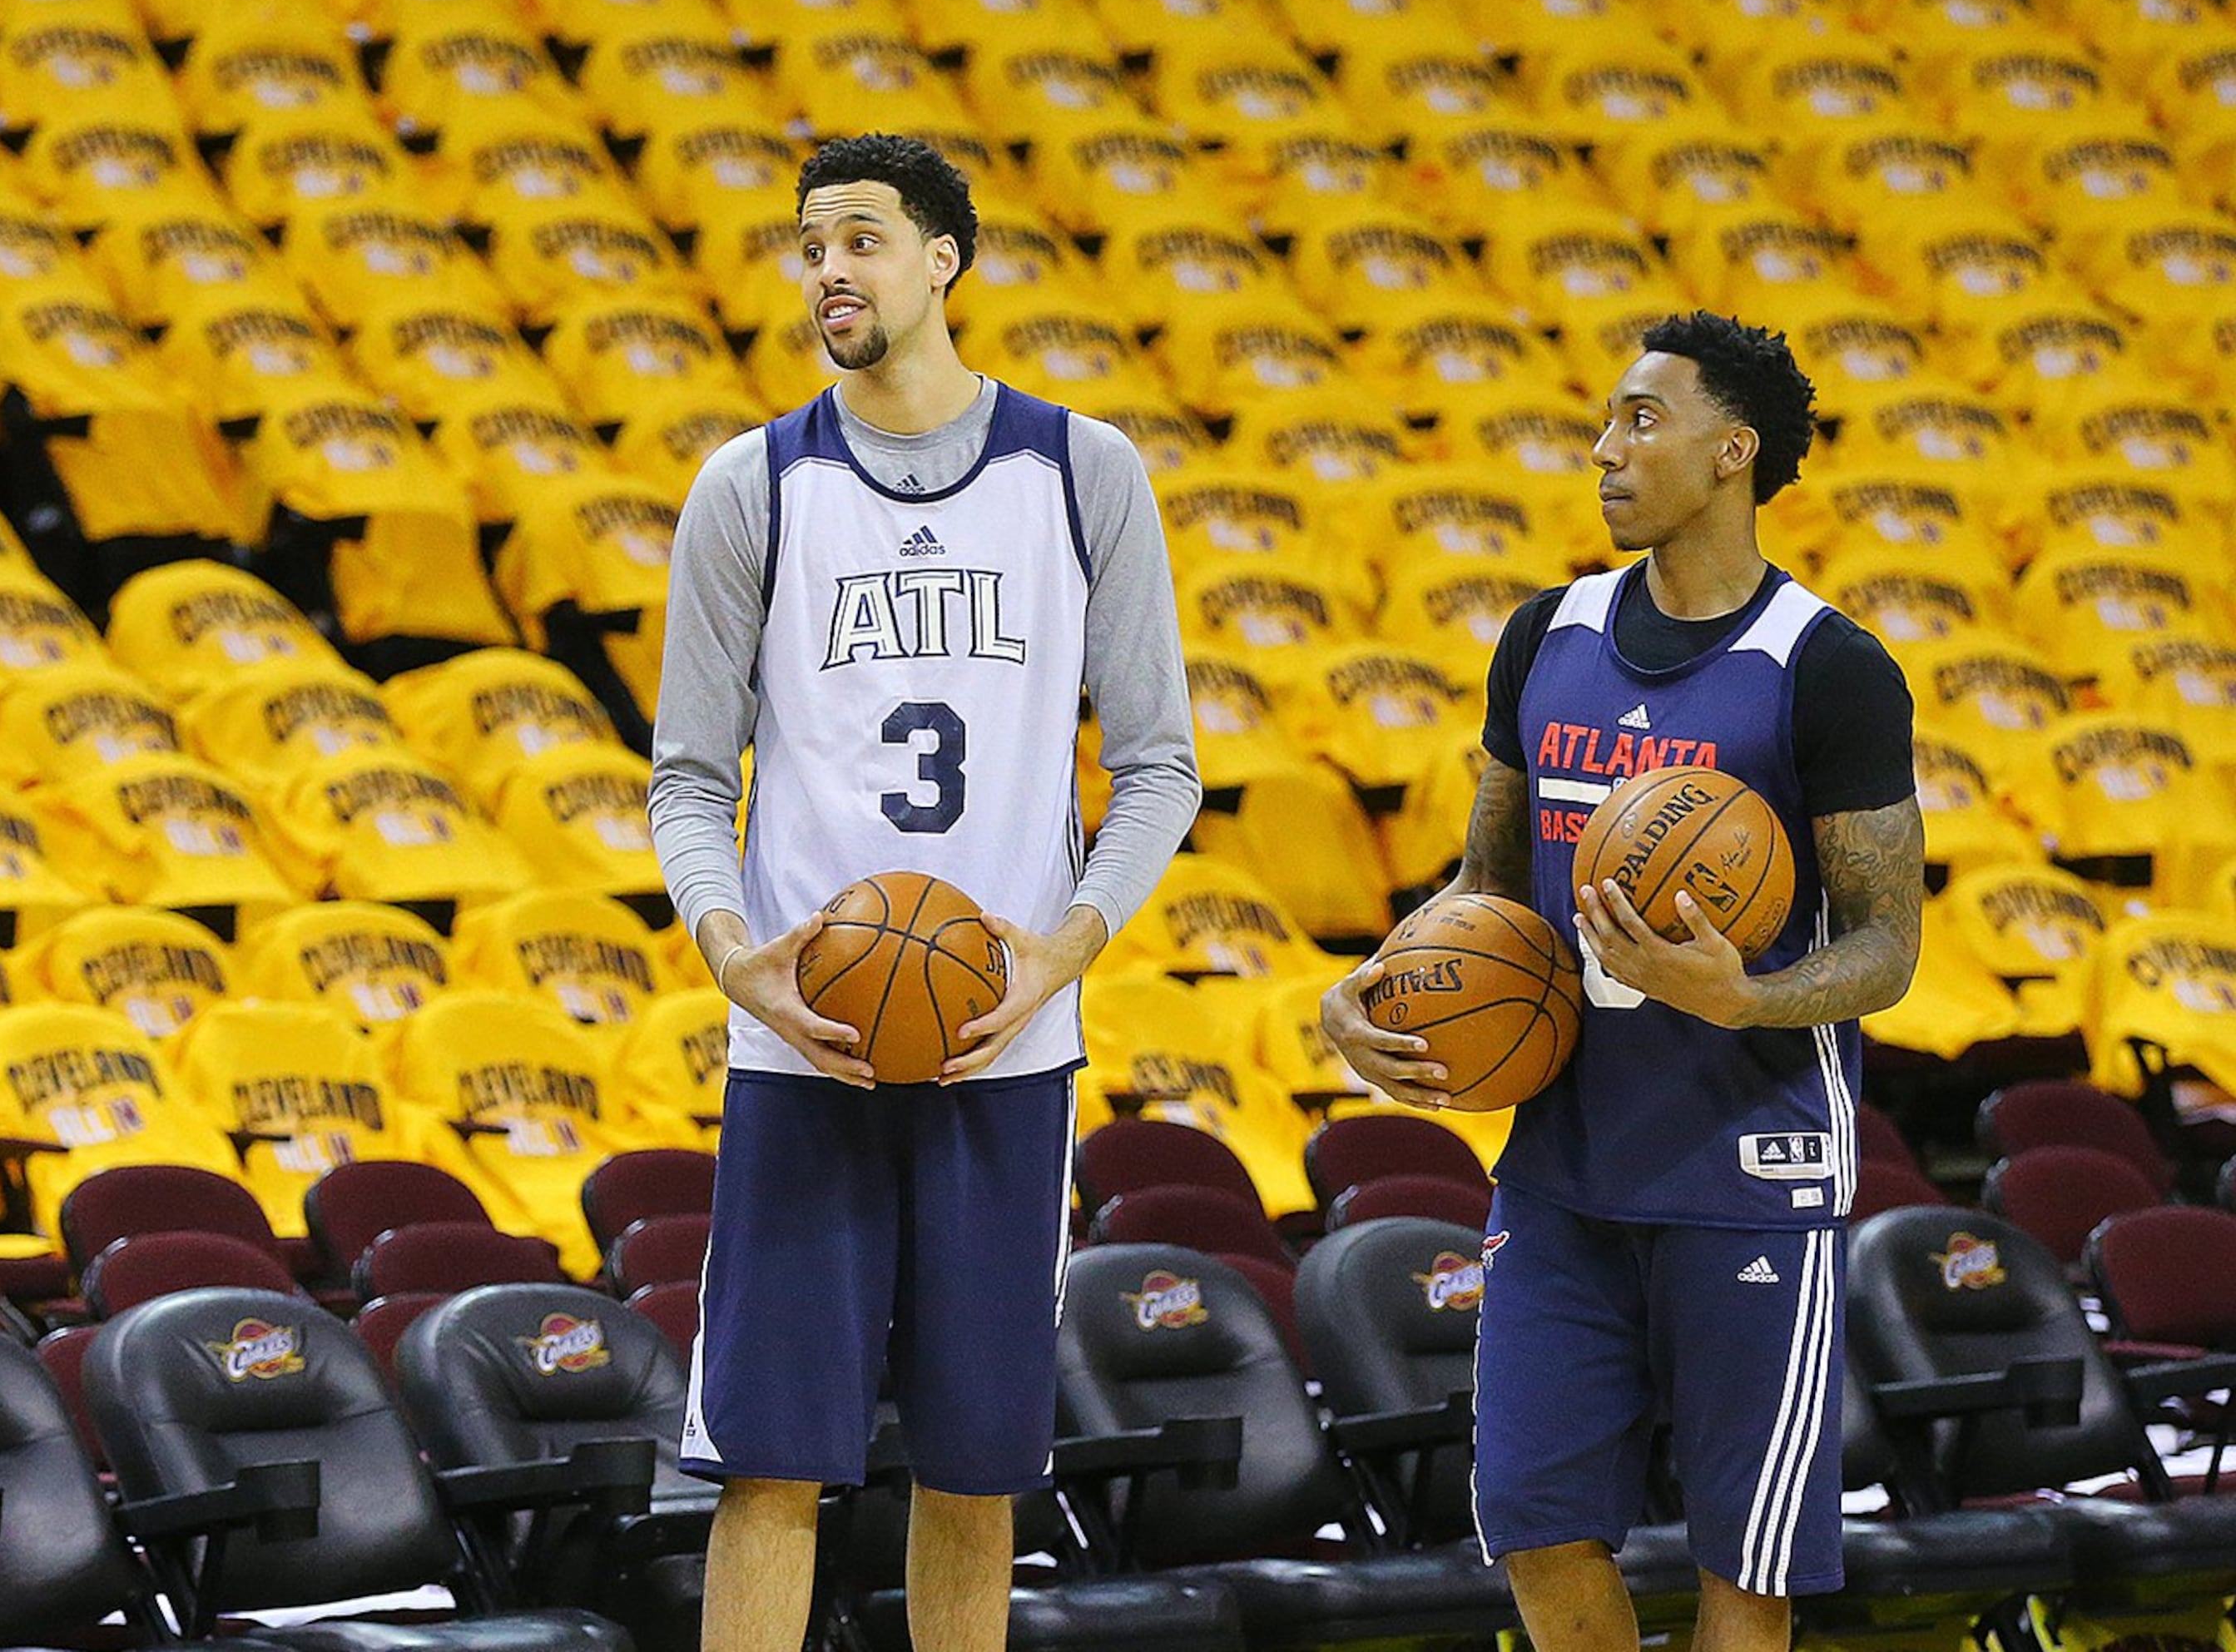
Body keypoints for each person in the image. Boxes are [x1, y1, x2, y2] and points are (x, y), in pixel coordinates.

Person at [647, 134, 1200, 1652]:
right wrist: (732, 956)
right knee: (768, 1463)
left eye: (864, 239)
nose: (830, 268)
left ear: (946, 258)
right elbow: (688, 778)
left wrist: (1063, 954)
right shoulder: (747, 486)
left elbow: (1158, 768)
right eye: (810, 244)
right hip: (804, 1043)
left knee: (975, 1472)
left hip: (1006, 1046)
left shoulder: (1083, 471)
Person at [1320, 312, 1924, 1651]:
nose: (1603, 450)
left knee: (1744, 1571)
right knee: (1531, 1522)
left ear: (1733, 453)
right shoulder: (1547, 638)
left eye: (1640, 422)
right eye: (1605, 423)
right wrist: (1366, 988)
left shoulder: (1826, 666)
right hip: (1562, 1165)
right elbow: (1480, 890)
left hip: (1747, 1170)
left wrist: (1745, 997)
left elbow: (1890, 946)